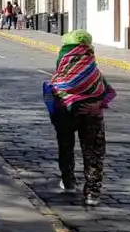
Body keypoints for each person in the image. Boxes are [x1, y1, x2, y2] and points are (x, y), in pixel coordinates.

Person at [46, 30, 116, 207]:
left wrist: (65, 102)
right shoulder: (94, 73)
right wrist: (97, 106)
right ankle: (92, 192)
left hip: (66, 115)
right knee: (93, 153)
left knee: (66, 147)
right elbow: (109, 93)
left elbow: (53, 92)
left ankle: (68, 181)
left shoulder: (60, 74)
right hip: (92, 116)